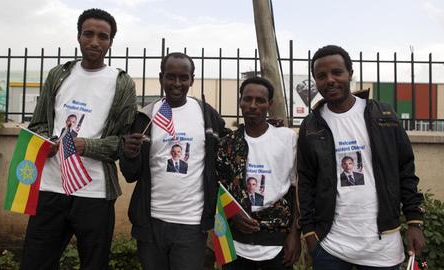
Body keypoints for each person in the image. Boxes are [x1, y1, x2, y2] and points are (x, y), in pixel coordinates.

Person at [21, 8, 137, 270]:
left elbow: (122, 142)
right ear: (78, 36)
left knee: (94, 264)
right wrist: (45, 142)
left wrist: (88, 145)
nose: (95, 41)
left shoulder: (121, 83)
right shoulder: (58, 75)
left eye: (103, 36)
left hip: (94, 191)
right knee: (34, 262)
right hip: (51, 187)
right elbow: (38, 124)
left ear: (110, 41)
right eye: (89, 34)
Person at [298, 45, 425, 270]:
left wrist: (414, 222)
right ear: (315, 81)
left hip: (382, 245)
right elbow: (306, 180)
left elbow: (405, 168)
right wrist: (309, 233)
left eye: (337, 72)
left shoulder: (383, 115)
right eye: (321, 76)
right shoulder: (311, 125)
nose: (330, 80)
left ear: (350, 73)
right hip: (331, 245)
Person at [119, 52, 228, 270]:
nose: (176, 83)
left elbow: (230, 147)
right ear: (161, 78)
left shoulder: (206, 114)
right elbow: (131, 174)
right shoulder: (146, 117)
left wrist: (267, 126)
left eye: (183, 77)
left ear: (192, 80)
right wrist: (130, 154)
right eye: (170, 77)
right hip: (151, 222)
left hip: (192, 223)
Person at [216, 77, 300, 269]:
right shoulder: (227, 144)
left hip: (276, 244)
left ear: (269, 104)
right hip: (234, 244)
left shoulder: (287, 139)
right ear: (240, 102)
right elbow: (217, 188)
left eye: (260, 101)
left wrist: (295, 235)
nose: (253, 105)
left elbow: (296, 190)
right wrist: (233, 214)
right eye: (247, 99)